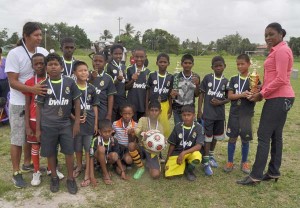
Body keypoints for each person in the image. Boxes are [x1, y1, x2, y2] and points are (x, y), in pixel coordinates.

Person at [237, 23, 295, 185]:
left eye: (271, 34)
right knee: (276, 136)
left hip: (279, 98)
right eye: (266, 35)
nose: (268, 38)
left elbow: (282, 79)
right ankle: (273, 171)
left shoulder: (282, 51)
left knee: (264, 136)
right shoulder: (277, 50)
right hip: (280, 97)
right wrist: (259, 89)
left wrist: (261, 94)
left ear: (281, 34)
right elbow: (273, 79)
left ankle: (255, 175)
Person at [5, 22, 48, 188]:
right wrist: (33, 89)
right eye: (36, 35)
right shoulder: (15, 54)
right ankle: (16, 173)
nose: (40, 38)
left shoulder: (42, 52)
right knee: (18, 137)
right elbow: (13, 82)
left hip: (39, 103)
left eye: (40, 35)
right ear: (26, 36)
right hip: (19, 103)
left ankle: (28, 163)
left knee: (32, 136)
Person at [35, 53, 81, 194]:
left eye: (56, 64)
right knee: (50, 153)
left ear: (61, 67)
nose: (53, 67)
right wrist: (38, 129)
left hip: (66, 124)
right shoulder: (43, 85)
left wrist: (77, 122)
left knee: (69, 152)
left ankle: (71, 179)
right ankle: (54, 177)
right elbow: (38, 108)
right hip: (48, 125)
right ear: (46, 68)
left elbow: (77, 102)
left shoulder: (69, 82)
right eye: (50, 64)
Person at [224, 54, 260, 174]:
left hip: (247, 114)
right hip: (234, 114)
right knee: (232, 138)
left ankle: (244, 162)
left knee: (245, 140)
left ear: (249, 64)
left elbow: (258, 97)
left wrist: (252, 97)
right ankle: (230, 161)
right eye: (238, 64)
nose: (239, 66)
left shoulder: (254, 78)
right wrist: (242, 95)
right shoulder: (234, 79)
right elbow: (230, 96)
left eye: (242, 64)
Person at [198, 56, 229, 176]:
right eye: (216, 66)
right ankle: (205, 162)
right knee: (207, 137)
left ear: (224, 66)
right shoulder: (207, 78)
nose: (218, 68)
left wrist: (220, 102)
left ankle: (210, 156)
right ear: (212, 67)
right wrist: (199, 110)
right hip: (208, 114)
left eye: (220, 65)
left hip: (219, 115)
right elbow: (201, 94)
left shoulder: (226, 81)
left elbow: (229, 98)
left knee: (215, 137)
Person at [71, 61, 99, 186]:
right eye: (80, 70)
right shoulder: (71, 88)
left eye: (85, 70)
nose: (84, 72)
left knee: (88, 147)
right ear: (74, 73)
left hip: (89, 122)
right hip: (76, 123)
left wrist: (95, 124)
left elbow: (95, 107)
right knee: (77, 146)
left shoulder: (92, 88)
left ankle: (87, 172)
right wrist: (75, 118)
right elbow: (67, 107)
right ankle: (78, 166)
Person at [23, 53, 47, 186]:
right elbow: (27, 104)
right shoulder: (29, 82)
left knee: (50, 144)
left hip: (49, 119)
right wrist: (27, 125)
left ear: (45, 64)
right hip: (33, 119)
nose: (38, 66)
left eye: (41, 63)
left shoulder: (51, 80)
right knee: (35, 145)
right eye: (36, 64)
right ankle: (36, 171)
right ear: (32, 66)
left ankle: (50, 168)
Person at [165, 105, 204, 181]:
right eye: (184, 115)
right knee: (168, 175)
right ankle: (183, 164)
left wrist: (184, 153)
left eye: (189, 115)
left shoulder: (199, 127)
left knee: (197, 156)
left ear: (194, 115)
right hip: (178, 153)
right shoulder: (178, 127)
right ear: (181, 116)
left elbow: (198, 146)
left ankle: (189, 170)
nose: (186, 117)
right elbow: (172, 144)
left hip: (191, 152)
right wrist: (168, 158)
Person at [90, 119, 129, 185]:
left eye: (109, 131)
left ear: (112, 130)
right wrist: (92, 177)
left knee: (115, 155)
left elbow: (118, 157)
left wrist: (122, 171)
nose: (107, 134)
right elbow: (91, 157)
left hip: (107, 159)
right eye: (105, 132)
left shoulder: (114, 140)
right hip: (97, 160)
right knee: (101, 149)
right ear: (99, 131)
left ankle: (106, 168)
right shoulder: (96, 140)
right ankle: (105, 175)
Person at [132, 101, 164, 179]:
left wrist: (163, 144)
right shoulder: (143, 120)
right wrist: (143, 134)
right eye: (152, 110)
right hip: (141, 147)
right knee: (131, 146)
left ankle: (149, 164)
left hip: (152, 152)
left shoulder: (160, 127)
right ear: (148, 111)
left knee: (155, 175)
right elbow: (136, 130)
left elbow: (161, 143)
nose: (153, 113)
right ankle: (141, 167)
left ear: (160, 112)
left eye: (156, 110)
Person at [146, 53, 173, 138]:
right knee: (152, 125)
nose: (162, 64)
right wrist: (146, 106)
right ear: (156, 62)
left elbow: (170, 94)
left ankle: (160, 144)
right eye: (160, 62)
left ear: (168, 63)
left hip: (164, 104)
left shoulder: (170, 77)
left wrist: (170, 108)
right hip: (153, 104)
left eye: (165, 62)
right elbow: (148, 92)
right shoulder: (152, 75)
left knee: (163, 126)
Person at [170, 54, 200, 125]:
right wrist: (173, 95)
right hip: (177, 108)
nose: (187, 65)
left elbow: (197, 94)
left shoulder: (196, 76)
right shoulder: (175, 77)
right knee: (179, 128)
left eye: (189, 63)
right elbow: (172, 95)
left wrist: (197, 84)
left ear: (193, 64)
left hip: (190, 108)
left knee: (190, 129)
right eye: (185, 63)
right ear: (181, 64)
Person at [89, 52, 116, 122]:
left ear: (105, 63)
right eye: (95, 61)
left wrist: (109, 114)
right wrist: (91, 79)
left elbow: (110, 96)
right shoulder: (87, 75)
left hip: (102, 110)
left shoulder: (108, 78)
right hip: (89, 109)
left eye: (100, 61)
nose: (97, 63)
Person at [126, 47, 151, 121]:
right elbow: (126, 87)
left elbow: (147, 91)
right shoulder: (129, 69)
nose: (139, 59)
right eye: (137, 57)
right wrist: (133, 80)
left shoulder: (148, 72)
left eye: (141, 57)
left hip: (142, 105)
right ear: (133, 57)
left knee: (141, 129)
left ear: (145, 57)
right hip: (131, 105)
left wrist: (146, 108)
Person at [112, 103, 137, 169]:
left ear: (133, 114)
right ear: (121, 114)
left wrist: (130, 134)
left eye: (129, 114)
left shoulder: (135, 125)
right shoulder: (115, 124)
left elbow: (133, 141)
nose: (127, 116)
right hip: (118, 148)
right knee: (120, 170)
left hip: (127, 149)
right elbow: (112, 135)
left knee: (128, 160)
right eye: (125, 113)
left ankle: (126, 161)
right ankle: (118, 163)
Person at [106, 44, 127, 121]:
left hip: (122, 97)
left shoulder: (123, 66)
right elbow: (107, 84)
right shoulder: (109, 66)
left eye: (120, 54)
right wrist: (117, 80)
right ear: (111, 54)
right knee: (113, 119)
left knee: (121, 119)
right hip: (113, 98)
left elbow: (125, 83)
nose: (118, 56)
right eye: (116, 54)